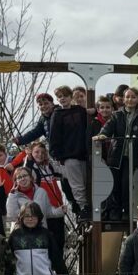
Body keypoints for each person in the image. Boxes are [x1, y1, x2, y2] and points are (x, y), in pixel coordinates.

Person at [92, 87, 138, 221]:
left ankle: (127, 211)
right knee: (114, 184)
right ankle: (115, 211)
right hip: (116, 155)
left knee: (126, 184)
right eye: (127, 97)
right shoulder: (117, 114)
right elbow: (108, 127)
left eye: (133, 97)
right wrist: (103, 134)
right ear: (123, 99)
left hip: (131, 156)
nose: (130, 100)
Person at [49, 85, 91, 220]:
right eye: (59, 97)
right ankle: (83, 207)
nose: (62, 99)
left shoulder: (79, 111)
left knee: (86, 181)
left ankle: (89, 205)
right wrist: (56, 154)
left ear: (70, 97)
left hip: (83, 153)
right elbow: (54, 136)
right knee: (76, 184)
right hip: (68, 155)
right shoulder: (57, 114)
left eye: (65, 96)